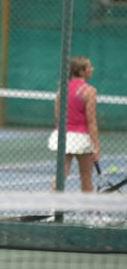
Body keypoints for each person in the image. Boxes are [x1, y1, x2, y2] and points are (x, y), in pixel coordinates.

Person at [48, 56, 100, 192]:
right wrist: (96, 146)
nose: (92, 69)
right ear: (82, 71)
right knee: (86, 178)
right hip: (81, 138)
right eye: (89, 67)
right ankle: (90, 212)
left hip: (63, 136)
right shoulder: (90, 91)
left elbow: (57, 115)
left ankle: (54, 211)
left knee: (60, 176)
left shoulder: (62, 89)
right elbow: (91, 120)